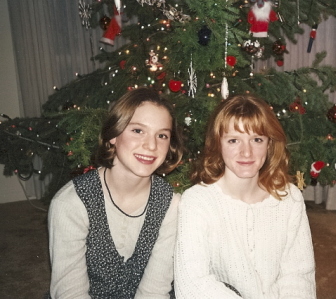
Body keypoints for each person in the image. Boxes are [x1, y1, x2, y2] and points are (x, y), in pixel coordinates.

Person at [174, 94, 316, 298]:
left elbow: (299, 275)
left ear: (269, 144)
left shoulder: (289, 197)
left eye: (256, 139)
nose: (246, 152)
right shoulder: (197, 202)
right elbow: (192, 285)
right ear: (218, 144)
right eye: (233, 140)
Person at [47, 87, 183, 298]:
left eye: (162, 135)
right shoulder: (71, 203)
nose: (151, 145)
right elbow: (70, 293)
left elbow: (154, 291)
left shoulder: (170, 204)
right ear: (113, 136)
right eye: (138, 130)